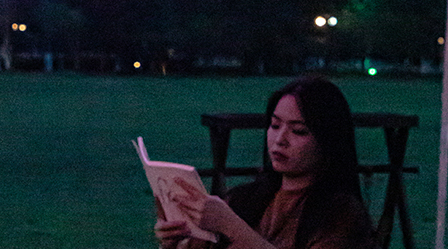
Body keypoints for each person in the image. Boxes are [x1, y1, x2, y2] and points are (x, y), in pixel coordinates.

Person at [155, 77, 378, 249]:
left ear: (328, 140)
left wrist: (232, 227)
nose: (280, 139)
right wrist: (175, 241)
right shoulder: (244, 200)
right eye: (274, 125)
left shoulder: (340, 215)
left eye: (298, 131)